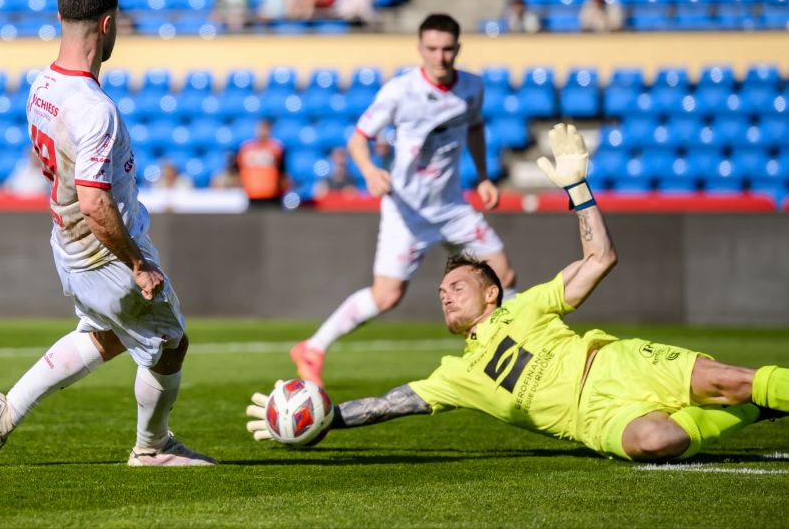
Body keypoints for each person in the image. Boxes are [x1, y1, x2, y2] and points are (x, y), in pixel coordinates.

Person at [251, 123, 789, 462]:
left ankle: (750, 397)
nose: (445, 295)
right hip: (592, 421)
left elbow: (600, 259)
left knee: (730, 378)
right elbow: (391, 405)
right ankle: (747, 411)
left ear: (492, 295)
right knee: (661, 441)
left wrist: (578, 188)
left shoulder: (527, 303)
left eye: (457, 286)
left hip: (615, 367)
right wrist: (317, 419)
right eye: (441, 291)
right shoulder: (455, 377)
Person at [0, 0, 215, 469]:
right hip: (103, 250)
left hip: (67, 244)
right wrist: (137, 262)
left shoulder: (41, 85)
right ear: (108, 25)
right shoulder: (95, 110)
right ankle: (152, 447)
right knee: (171, 343)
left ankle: (4, 410)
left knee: (105, 334)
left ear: (61, 18)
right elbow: (95, 202)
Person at [290, 13, 517, 387]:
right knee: (387, 295)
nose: (440, 57)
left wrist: (484, 176)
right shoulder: (400, 92)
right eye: (432, 48)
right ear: (420, 49)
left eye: (447, 49)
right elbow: (358, 138)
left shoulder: (472, 87)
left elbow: (474, 127)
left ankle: (507, 350)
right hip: (406, 210)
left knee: (504, 275)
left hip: (451, 206)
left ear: (458, 48)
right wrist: (369, 171)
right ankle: (312, 348)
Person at [236, 118, 286, 205]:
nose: (263, 131)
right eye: (261, 128)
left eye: (265, 129)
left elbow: (283, 170)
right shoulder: (246, 148)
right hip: (251, 192)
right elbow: (238, 169)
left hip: (271, 192)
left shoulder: (276, 147)